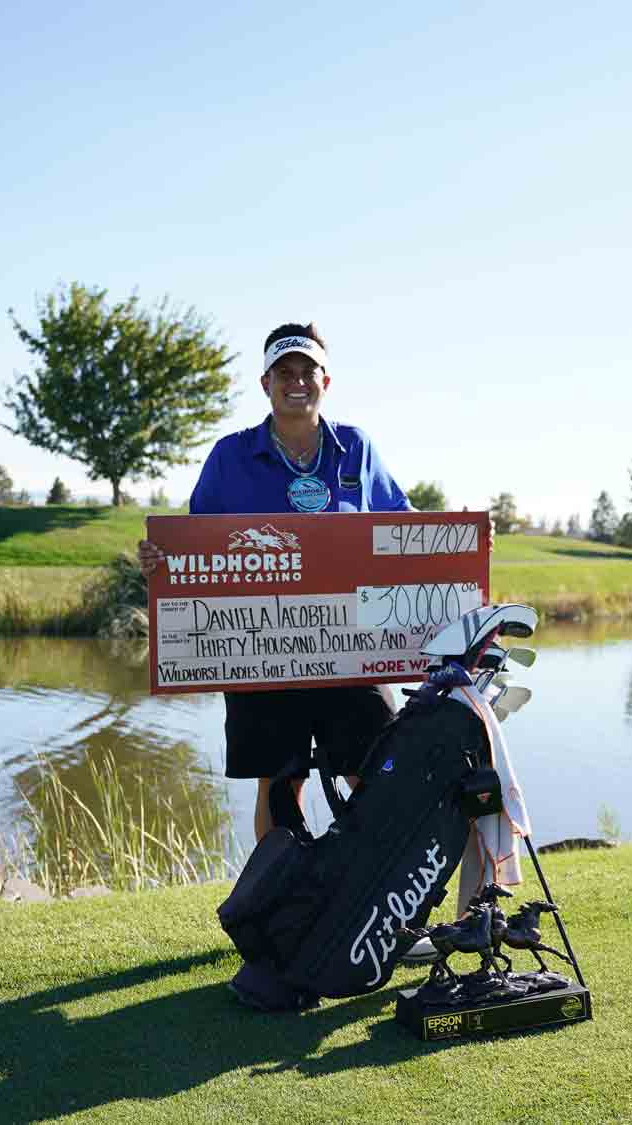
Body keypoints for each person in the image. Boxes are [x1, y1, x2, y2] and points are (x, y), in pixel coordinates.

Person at [138, 322, 413, 841]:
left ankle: (375, 900)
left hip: (353, 648)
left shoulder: (356, 448)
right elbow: (194, 547)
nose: (297, 382)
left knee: (374, 775)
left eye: (307, 372)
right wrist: (161, 562)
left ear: (325, 382)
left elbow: (403, 528)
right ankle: (281, 908)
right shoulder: (229, 456)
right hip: (262, 651)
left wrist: (460, 546)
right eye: (284, 373)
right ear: (265, 384)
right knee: (280, 784)